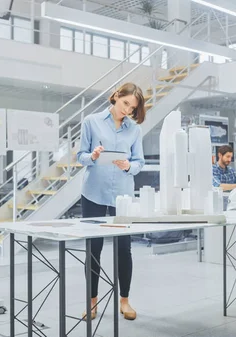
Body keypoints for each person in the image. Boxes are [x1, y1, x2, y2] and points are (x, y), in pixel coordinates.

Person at [77, 83, 145, 321]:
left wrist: (129, 166)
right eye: (126, 103)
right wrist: (93, 156)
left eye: (132, 107)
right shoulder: (91, 121)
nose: (127, 110)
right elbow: (80, 156)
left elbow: (139, 162)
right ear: (116, 96)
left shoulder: (134, 130)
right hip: (94, 192)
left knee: (124, 249)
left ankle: (124, 302)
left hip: (122, 195)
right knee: (94, 249)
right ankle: (92, 302)